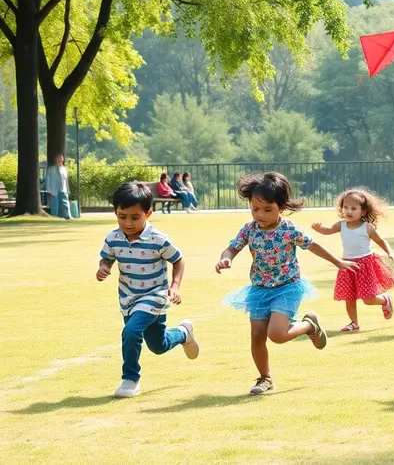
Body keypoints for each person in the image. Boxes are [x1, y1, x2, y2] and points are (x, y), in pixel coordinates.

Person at [217, 172, 357, 395]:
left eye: (267, 209)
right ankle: (265, 379)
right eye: (255, 208)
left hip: (287, 287)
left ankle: (309, 325)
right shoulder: (249, 229)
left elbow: (312, 245)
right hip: (259, 289)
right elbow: (233, 247)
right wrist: (226, 258)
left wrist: (337, 261)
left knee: (277, 335)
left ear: (280, 207)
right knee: (256, 336)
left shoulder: (288, 229)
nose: (260, 215)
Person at [97, 181, 199, 398]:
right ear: (115, 212)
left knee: (131, 332)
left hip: (155, 296)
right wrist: (103, 268)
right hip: (128, 299)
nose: (128, 222)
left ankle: (130, 379)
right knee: (158, 345)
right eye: (122, 216)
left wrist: (175, 286)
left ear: (148, 214)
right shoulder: (113, 238)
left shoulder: (158, 239)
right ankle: (183, 333)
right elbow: (107, 258)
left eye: (135, 217)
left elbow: (178, 260)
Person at [312, 187, 394, 333]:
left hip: (364, 264)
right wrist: (318, 228)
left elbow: (381, 241)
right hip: (347, 264)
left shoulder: (367, 227)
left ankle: (385, 300)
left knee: (368, 299)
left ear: (363, 211)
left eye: (353, 208)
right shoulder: (341, 225)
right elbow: (328, 231)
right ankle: (354, 323)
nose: (349, 211)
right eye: (345, 207)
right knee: (349, 297)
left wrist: (390, 252)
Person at [45, 154, 72, 220]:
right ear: (56, 160)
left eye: (61, 159)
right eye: (59, 159)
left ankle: (67, 216)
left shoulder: (64, 169)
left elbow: (66, 180)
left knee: (65, 204)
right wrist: (48, 190)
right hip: (54, 189)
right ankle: (54, 216)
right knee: (54, 204)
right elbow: (48, 180)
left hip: (63, 189)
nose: (60, 160)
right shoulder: (51, 169)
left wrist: (67, 190)